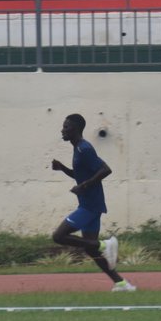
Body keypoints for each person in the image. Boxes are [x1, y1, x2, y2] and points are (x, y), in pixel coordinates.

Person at [51, 114, 136, 292]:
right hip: (91, 204)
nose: (62, 130)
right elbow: (81, 174)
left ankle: (105, 244)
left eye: (66, 127)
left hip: (89, 206)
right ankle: (122, 284)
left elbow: (105, 170)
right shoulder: (78, 149)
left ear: (75, 129)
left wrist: (83, 186)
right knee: (90, 249)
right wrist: (63, 168)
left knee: (59, 236)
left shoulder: (84, 149)